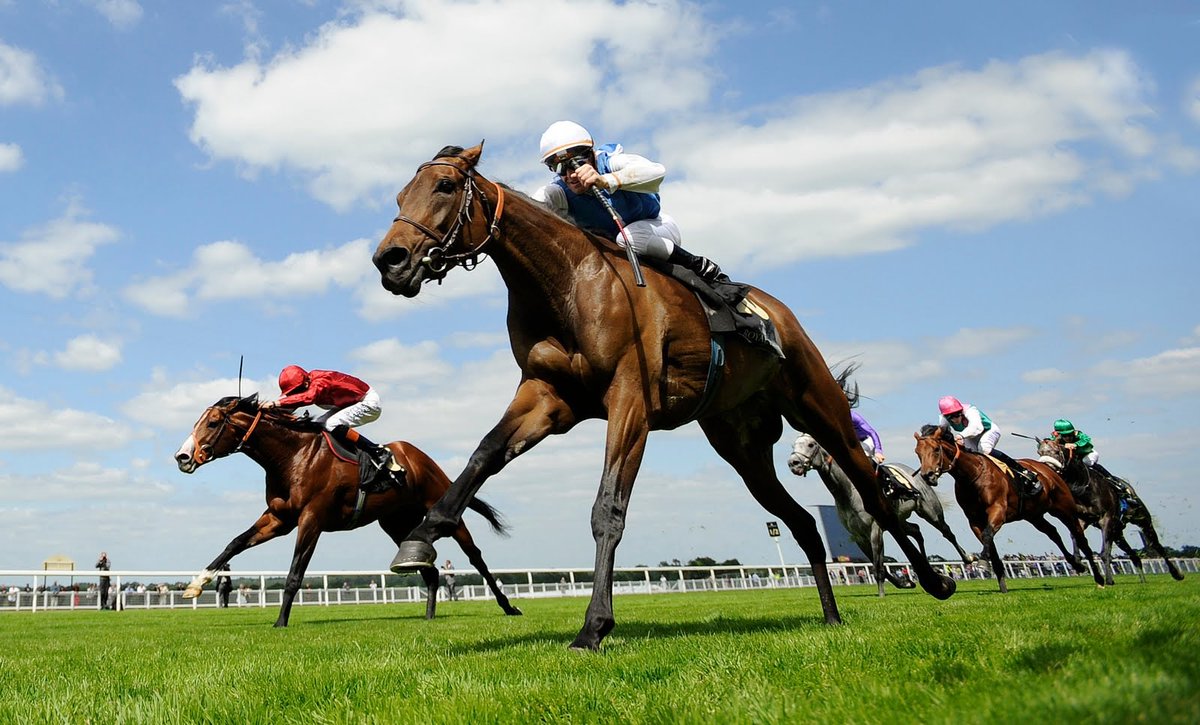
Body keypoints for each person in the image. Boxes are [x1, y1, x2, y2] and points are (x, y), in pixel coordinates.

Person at [533, 120, 728, 284]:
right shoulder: (559, 191)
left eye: (575, 163)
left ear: (590, 154)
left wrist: (606, 181)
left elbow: (657, 171)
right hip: (618, 255)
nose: (570, 175)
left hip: (656, 229)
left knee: (625, 238)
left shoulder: (612, 162)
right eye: (558, 168)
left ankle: (697, 264)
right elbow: (535, 203)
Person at [262, 365, 402, 490]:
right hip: (348, 404)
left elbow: (308, 398)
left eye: (296, 391)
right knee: (316, 424)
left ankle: (377, 451)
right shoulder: (306, 384)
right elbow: (292, 404)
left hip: (368, 403)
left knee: (331, 424)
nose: (295, 394)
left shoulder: (320, 382)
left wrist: (275, 403)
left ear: (305, 383)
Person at [938, 395, 1041, 495]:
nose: (955, 418)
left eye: (957, 414)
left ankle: (1023, 471)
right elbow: (942, 433)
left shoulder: (970, 410)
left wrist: (961, 436)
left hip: (988, 430)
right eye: (951, 416)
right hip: (970, 436)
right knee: (970, 457)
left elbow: (977, 427)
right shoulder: (943, 419)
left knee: (984, 449)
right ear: (945, 416)